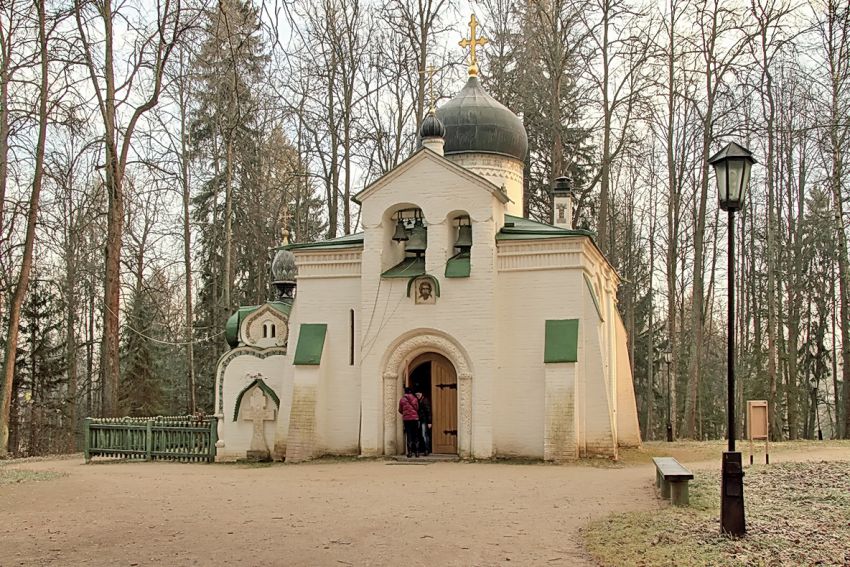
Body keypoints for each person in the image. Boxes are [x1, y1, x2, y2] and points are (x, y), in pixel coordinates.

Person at [398, 387, 420, 458]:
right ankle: (417, 452)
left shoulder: (402, 400)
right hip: (415, 419)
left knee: (409, 435)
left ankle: (410, 452)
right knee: (416, 435)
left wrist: (405, 413)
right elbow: (417, 408)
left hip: (407, 419)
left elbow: (400, 410)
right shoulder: (415, 399)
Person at [416, 391, 432, 455]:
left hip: (424, 421)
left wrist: (429, 422)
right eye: (416, 395)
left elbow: (428, 412)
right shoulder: (419, 401)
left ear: (422, 394)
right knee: (422, 435)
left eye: (418, 394)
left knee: (424, 435)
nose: (417, 396)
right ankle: (423, 449)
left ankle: (427, 450)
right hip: (420, 420)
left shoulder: (425, 401)